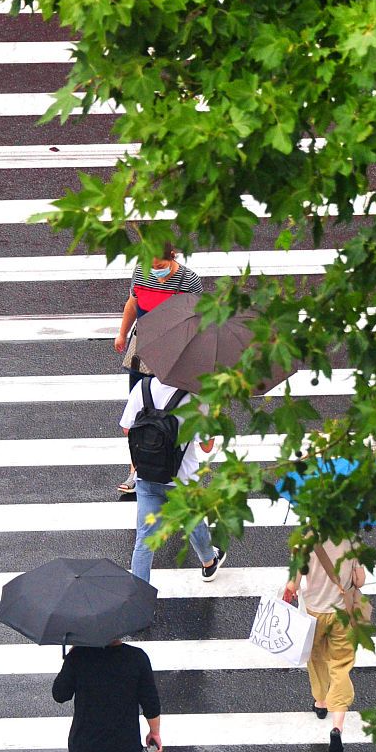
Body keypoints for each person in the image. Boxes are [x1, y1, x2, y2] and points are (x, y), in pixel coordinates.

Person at [113, 247, 204, 492]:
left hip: (175, 350)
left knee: (171, 408)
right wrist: (122, 334)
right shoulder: (140, 272)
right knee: (139, 410)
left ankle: (173, 464)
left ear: (172, 255)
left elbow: (198, 319)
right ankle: (137, 469)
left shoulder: (188, 280)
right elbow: (133, 303)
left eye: (160, 266)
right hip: (143, 347)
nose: (156, 271)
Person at [120, 375, 224, 583]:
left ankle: (140, 593)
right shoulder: (195, 398)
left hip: (147, 474)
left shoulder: (143, 387)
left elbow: (127, 429)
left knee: (144, 539)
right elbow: (207, 446)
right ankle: (208, 561)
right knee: (193, 522)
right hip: (182, 479)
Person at [283, 540, 366, 752]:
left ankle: (321, 702)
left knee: (316, 656)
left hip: (314, 611)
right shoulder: (351, 538)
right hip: (342, 612)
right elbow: (360, 580)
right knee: (341, 664)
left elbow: (294, 583)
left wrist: (290, 589)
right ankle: (337, 726)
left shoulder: (304, 540)